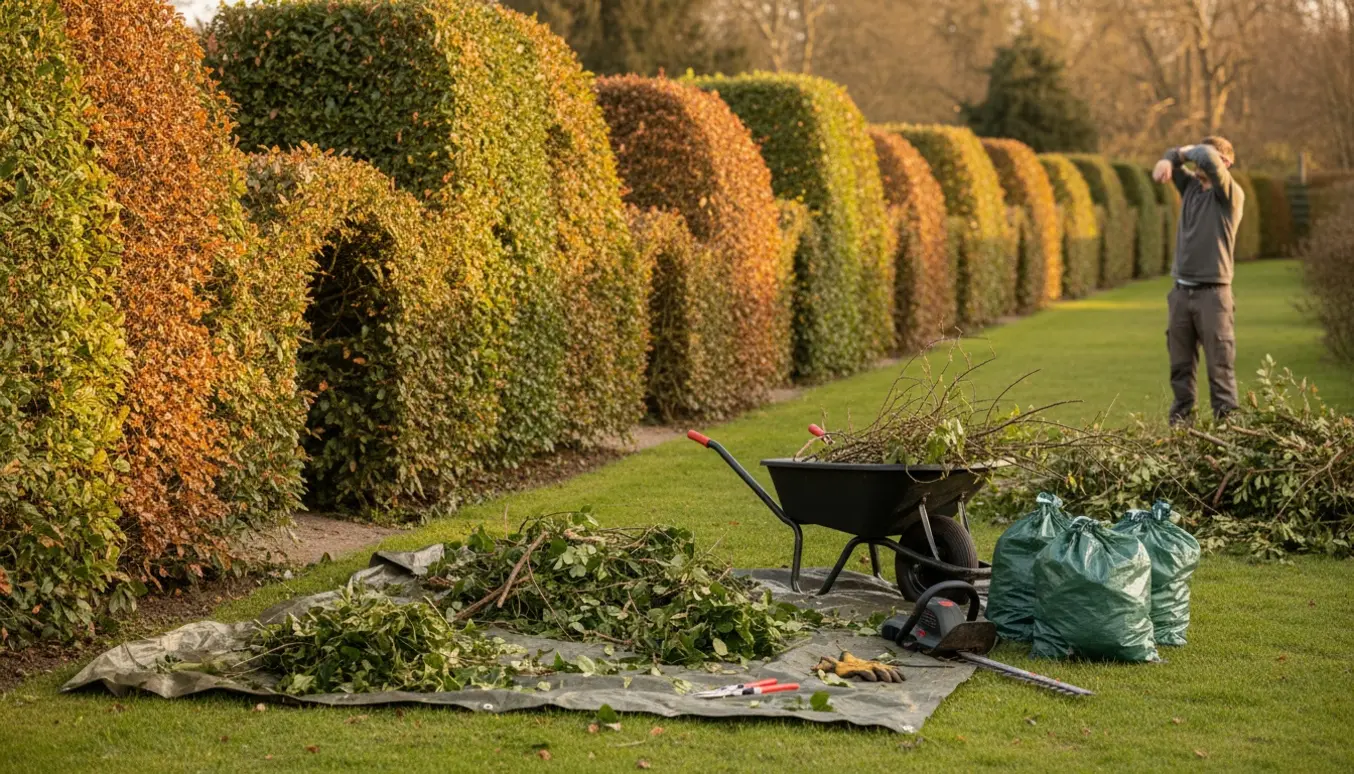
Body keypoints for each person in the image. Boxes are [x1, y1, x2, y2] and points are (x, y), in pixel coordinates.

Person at [1151, 137, 1244, 425]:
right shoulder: (1190, 188)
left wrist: (1184, 152)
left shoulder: (1229, 195)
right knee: (1180, 373)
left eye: (1209, 159)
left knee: (1221, 374)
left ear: (1225, 164)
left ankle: (1230, 442)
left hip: (1213, 297)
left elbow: (1202, 155)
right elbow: (1181, 160)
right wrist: (1169, 158)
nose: (1198, 163)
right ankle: (1181, 442)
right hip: (1180, 294)